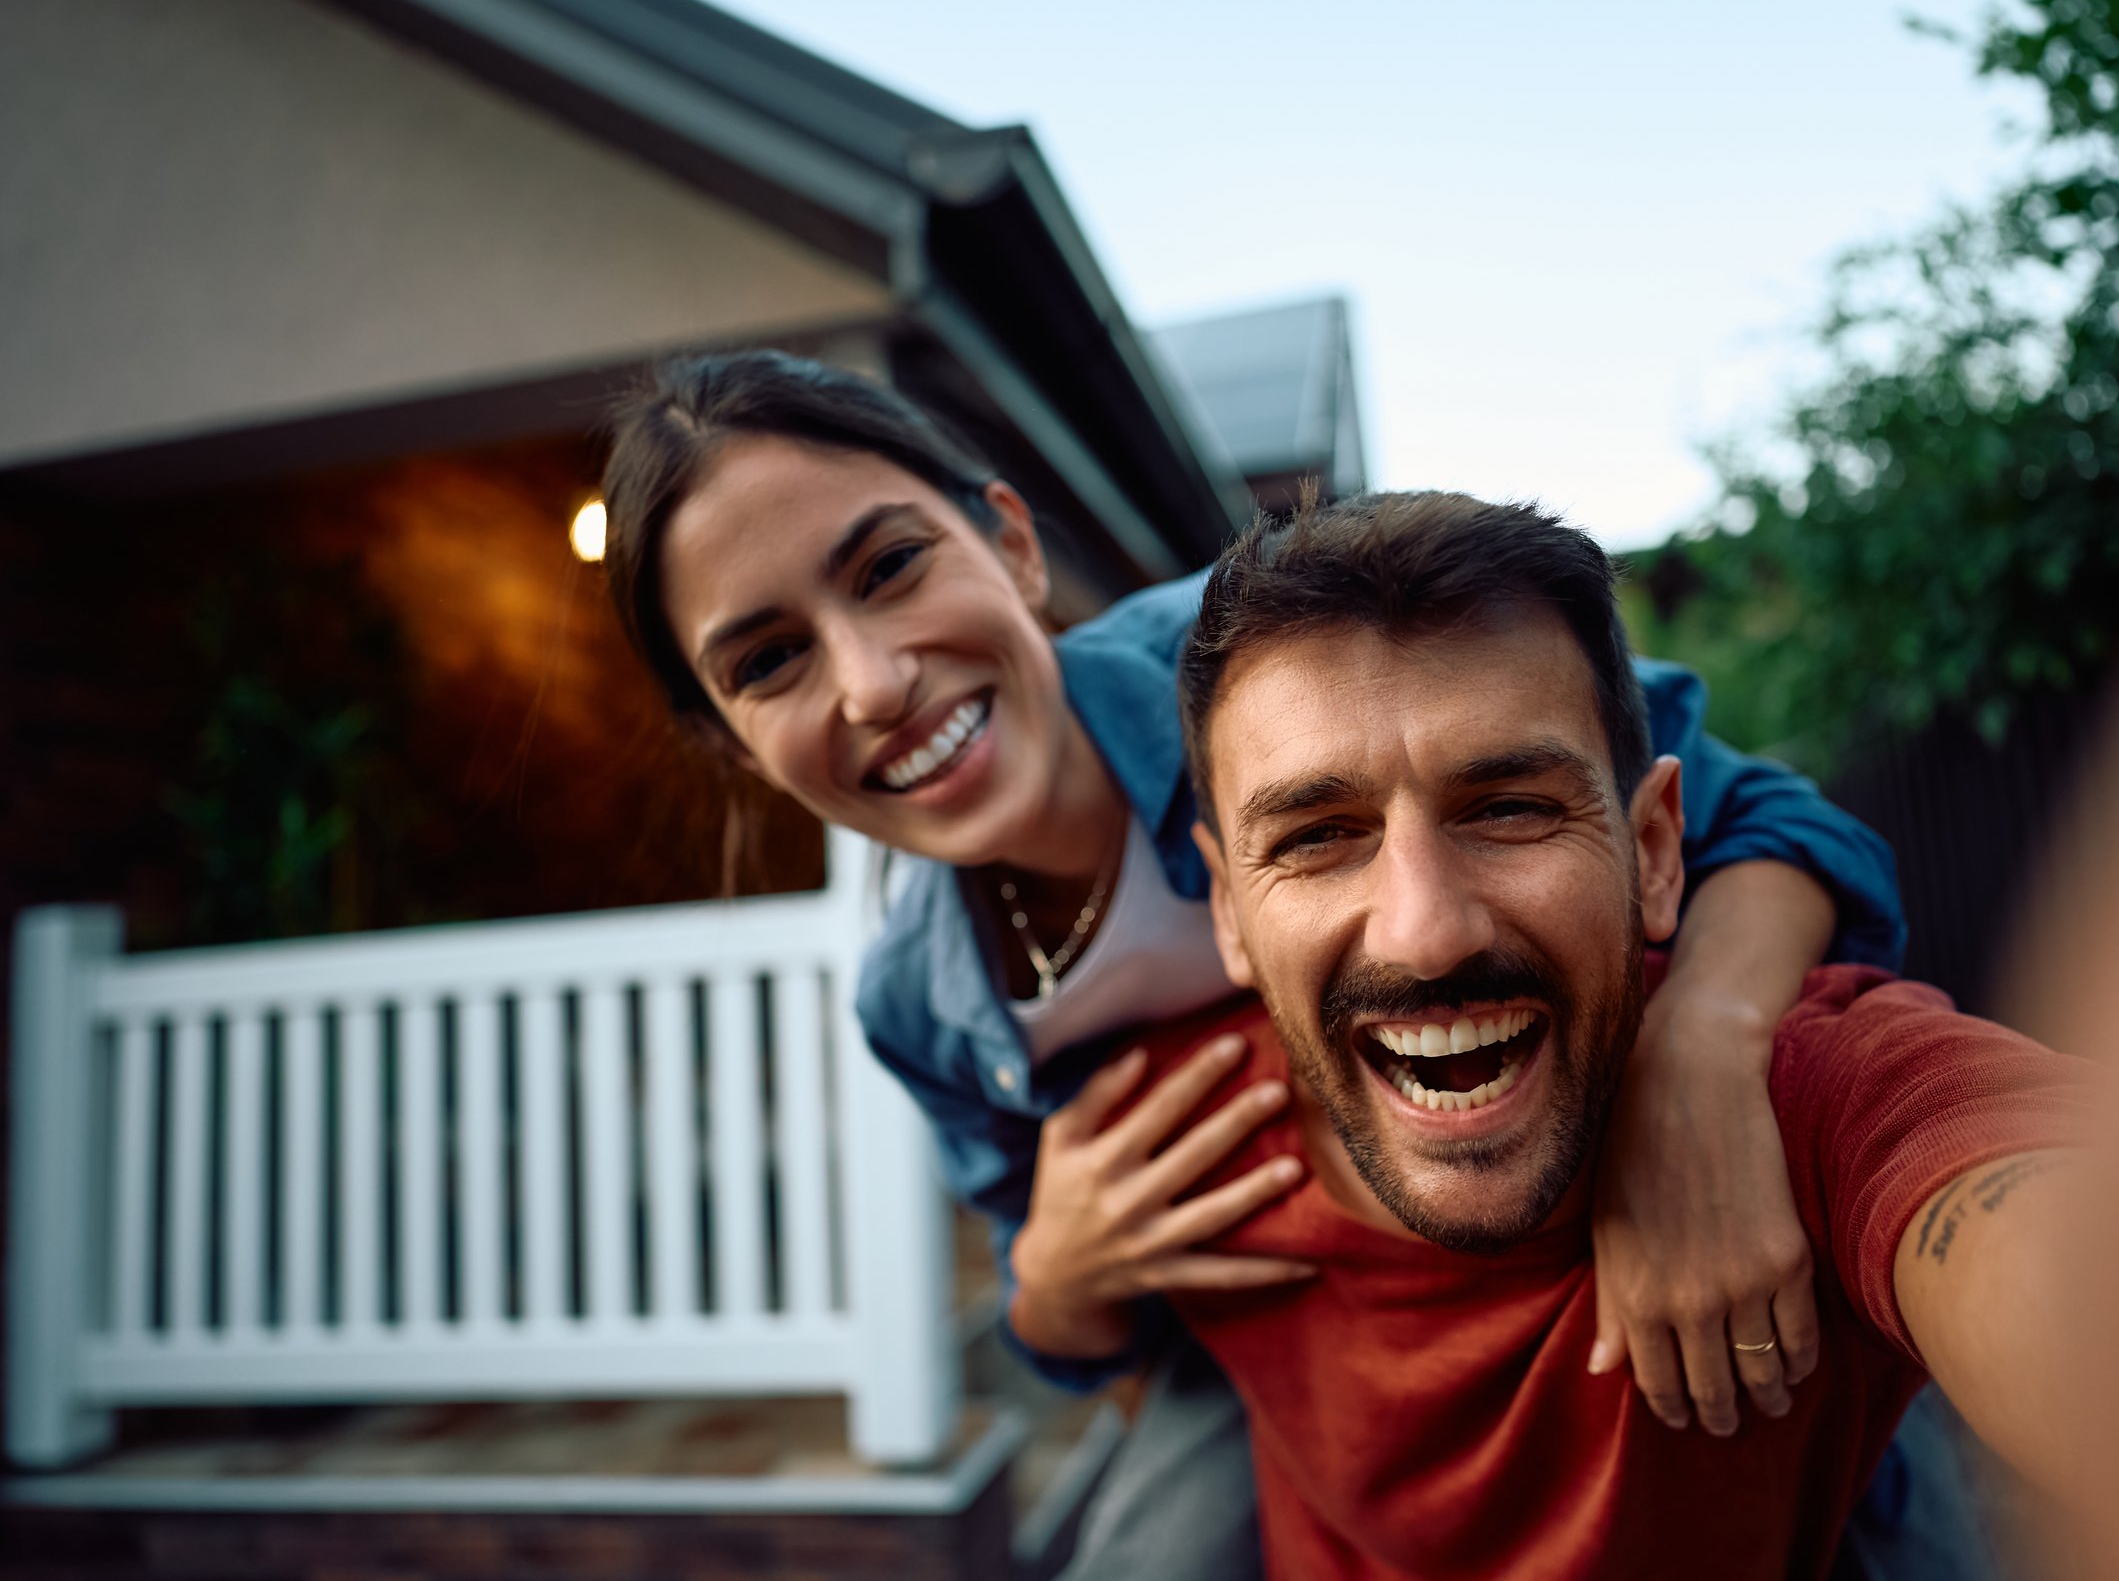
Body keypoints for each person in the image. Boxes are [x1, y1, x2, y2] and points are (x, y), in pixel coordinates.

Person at [600, 350, 1907, 1573]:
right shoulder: (921, 1006)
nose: (873, 682)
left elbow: (1773, 822)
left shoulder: (1261, 666)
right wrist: (1056, 1284)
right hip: (1275, 1351)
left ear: (1008, 540)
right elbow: (1065, 1335)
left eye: (888, 568)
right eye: (769, 660)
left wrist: (1702, 1052)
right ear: (730, 739)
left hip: (1567, 1222)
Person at [1121, 488, 2093, 1578]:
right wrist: (1052, 1289)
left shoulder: (1803, 1100)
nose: (1427, 932)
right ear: (1224, 912)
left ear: (1659, 852)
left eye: (1509, 807)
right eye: (1316, 835)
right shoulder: (1167, 1149)